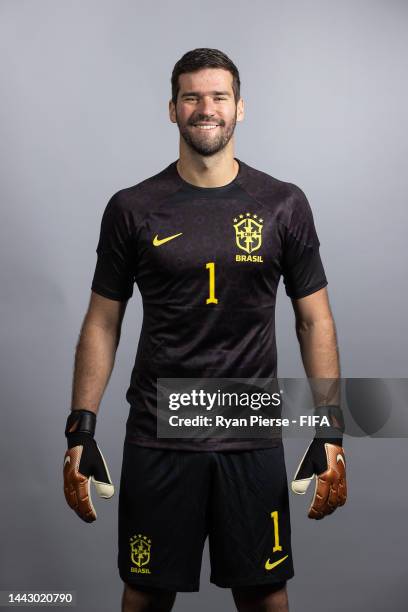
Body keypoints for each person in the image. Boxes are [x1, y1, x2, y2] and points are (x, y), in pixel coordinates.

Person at [63, 48, 347, 612]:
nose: (205, 108)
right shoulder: (132, 208)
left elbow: (314, 318)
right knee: (144, 595)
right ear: (172, 110)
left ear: (240, 108)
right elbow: (102, 321)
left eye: (218, 96)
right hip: (158, 434)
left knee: (265, 596)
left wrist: (330, 429)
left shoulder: (283, 204)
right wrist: (80, 429)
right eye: (192, 96)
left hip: (251, 430)